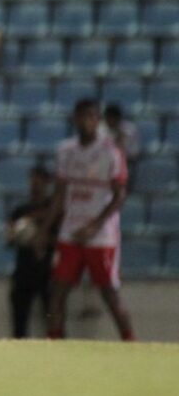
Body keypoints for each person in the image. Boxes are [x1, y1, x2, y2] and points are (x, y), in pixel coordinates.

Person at [46, 99, 135, 341]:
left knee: (109, 294)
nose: (88, 121)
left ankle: (131, 344)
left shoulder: (111, 152)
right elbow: (59, 195)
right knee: (57, 292)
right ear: (75, 118)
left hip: (101, 235)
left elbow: (119, 196)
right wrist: (45, 229)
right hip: (70, 232)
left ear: (99, 120)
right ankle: (53, 345)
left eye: (93, 117)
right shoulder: (65, 151)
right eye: (83, 116)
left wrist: (94, 224)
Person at [5, 164, 55, 339]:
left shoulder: (53, 211)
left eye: (39, 180)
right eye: (33, 180)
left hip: (48, 270)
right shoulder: (20, 211)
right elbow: (9, 239)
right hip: (24, 269)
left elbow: (61, 238)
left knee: (54, 318)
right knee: (19, 322)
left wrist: (42, 240)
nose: (35, 184)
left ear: (47, 183)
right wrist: (20, 235)